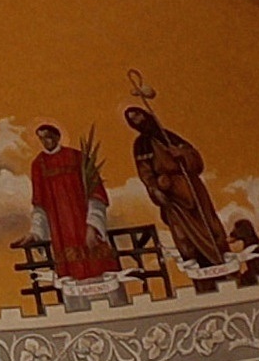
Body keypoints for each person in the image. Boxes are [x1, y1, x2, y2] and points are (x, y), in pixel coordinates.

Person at [125, 99, 231, 270]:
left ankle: (219, 259)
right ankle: (197, 265)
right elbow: (145, 173)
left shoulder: (168, 136)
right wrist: (155, 189)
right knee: (181, 231)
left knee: (208, 224)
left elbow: (196, 161)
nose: (138, 120)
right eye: (133, 119)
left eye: (138, 115)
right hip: (170, 194)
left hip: (190, 187)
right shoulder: (140, 146)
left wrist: (181, 154)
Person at [27, 122, 116, 284]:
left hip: (84, 224)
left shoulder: (78, 157)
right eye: (41, 139)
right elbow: (39, 203)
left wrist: (93, 226)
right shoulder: (38, 165)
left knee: (101, 271)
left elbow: (96, 194)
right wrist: (36, 232)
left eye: (48, 137)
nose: (45, 141)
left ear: (57, 137)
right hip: (61, 232)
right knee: (72, 280)